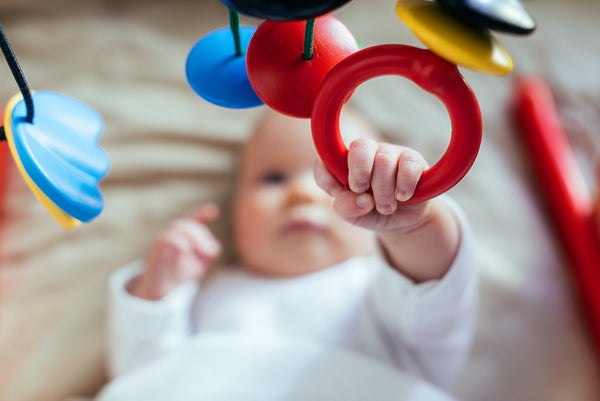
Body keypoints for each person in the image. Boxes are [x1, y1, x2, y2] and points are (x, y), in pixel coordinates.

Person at [106, 107, 477, 392]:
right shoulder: (210, 294)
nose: (302, 192)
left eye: (340, 177)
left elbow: (436, 301)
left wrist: (415, 226)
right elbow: (146, 379)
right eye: (273, 177)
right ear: (236, 211)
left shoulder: (376, 287)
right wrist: (156, 294)